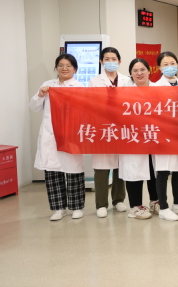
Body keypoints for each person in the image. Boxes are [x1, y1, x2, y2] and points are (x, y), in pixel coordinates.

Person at [30, 54, 87, 220]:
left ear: (75, 69)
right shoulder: (48, 86)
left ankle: (77, 207)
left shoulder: (79, 87)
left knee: (73, 171)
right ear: (56, 68)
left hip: (71, 134)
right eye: (61, 65)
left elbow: (84, 111)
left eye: (68, 65)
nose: (64, 68)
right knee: (53, 172)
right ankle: (58, 208)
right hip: (51, 135)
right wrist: (40, 95)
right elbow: (34, 107)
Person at [88, 47, 131, 218]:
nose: (110, 62)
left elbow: (131, 102)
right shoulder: (94, 81)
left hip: (122, 127)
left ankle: (118, 200)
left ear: (119, 62)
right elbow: (91, 104)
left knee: (120, 164)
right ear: (101, 61)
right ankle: (101, 204)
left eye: (114, 59)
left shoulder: (127, 80)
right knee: (102, 166)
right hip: (102, 127)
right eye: (107, 59)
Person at [151, 51, 178, 221]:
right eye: (165, 64)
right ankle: (163, 207)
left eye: (172, 63)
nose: (170, 67)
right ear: (159, 67)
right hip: (163, 133)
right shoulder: (155, 87)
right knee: (163, 169)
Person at [118, 58, 156, 219]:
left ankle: (155, 201)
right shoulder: (124, 92)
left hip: (154, 135)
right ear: (131, 74)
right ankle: (135, 206)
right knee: (134, 169)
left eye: (142, 69)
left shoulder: (159, 89)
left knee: (154, 169)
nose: (139, 73)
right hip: (133, 136)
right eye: (135, 71)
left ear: (149, 71)